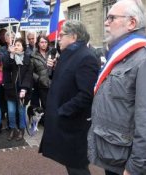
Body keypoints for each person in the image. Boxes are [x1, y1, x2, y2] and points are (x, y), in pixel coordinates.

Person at [87, 0, 146, 174]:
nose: (105, 22)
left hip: (126, 163)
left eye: (111, 17)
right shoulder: (120, 53)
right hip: (113, 154)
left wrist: (135, 169)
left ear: (131, 23)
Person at [39, 20, 101, 175]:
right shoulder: (68, 54)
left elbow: (86, 94)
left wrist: (63, 111)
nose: (58, 38)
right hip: (64, 120)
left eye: (61, 35)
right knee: (70, 163)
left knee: (76, 166)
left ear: (73, 37)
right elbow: (63, 80)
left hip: (73, 123)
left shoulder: (86, 57)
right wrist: (52, 69)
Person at [2, 38, 33, 141]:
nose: (16, 46)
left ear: (23, 47)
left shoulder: (27, 59)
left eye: (19, 45)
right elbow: (6, 68)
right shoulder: (10, 58)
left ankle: (22, 129)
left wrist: (24, 89)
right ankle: (13, 129)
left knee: (21, 111)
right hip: (10, 89)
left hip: (22, 91)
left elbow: (28, 75)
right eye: (15, 45)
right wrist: (11, 55)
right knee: (11, 111)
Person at [30, 34, 51, 111]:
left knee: (52, 105)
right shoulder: (33, 55)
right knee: (45, 105)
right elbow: (30, 71)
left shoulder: (52, 53)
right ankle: (45, 121)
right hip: (41, 85)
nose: (44, 44)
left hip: (52, 83)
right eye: (42, 42)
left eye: (45, 42)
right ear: (38, 43)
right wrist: (39, 79)